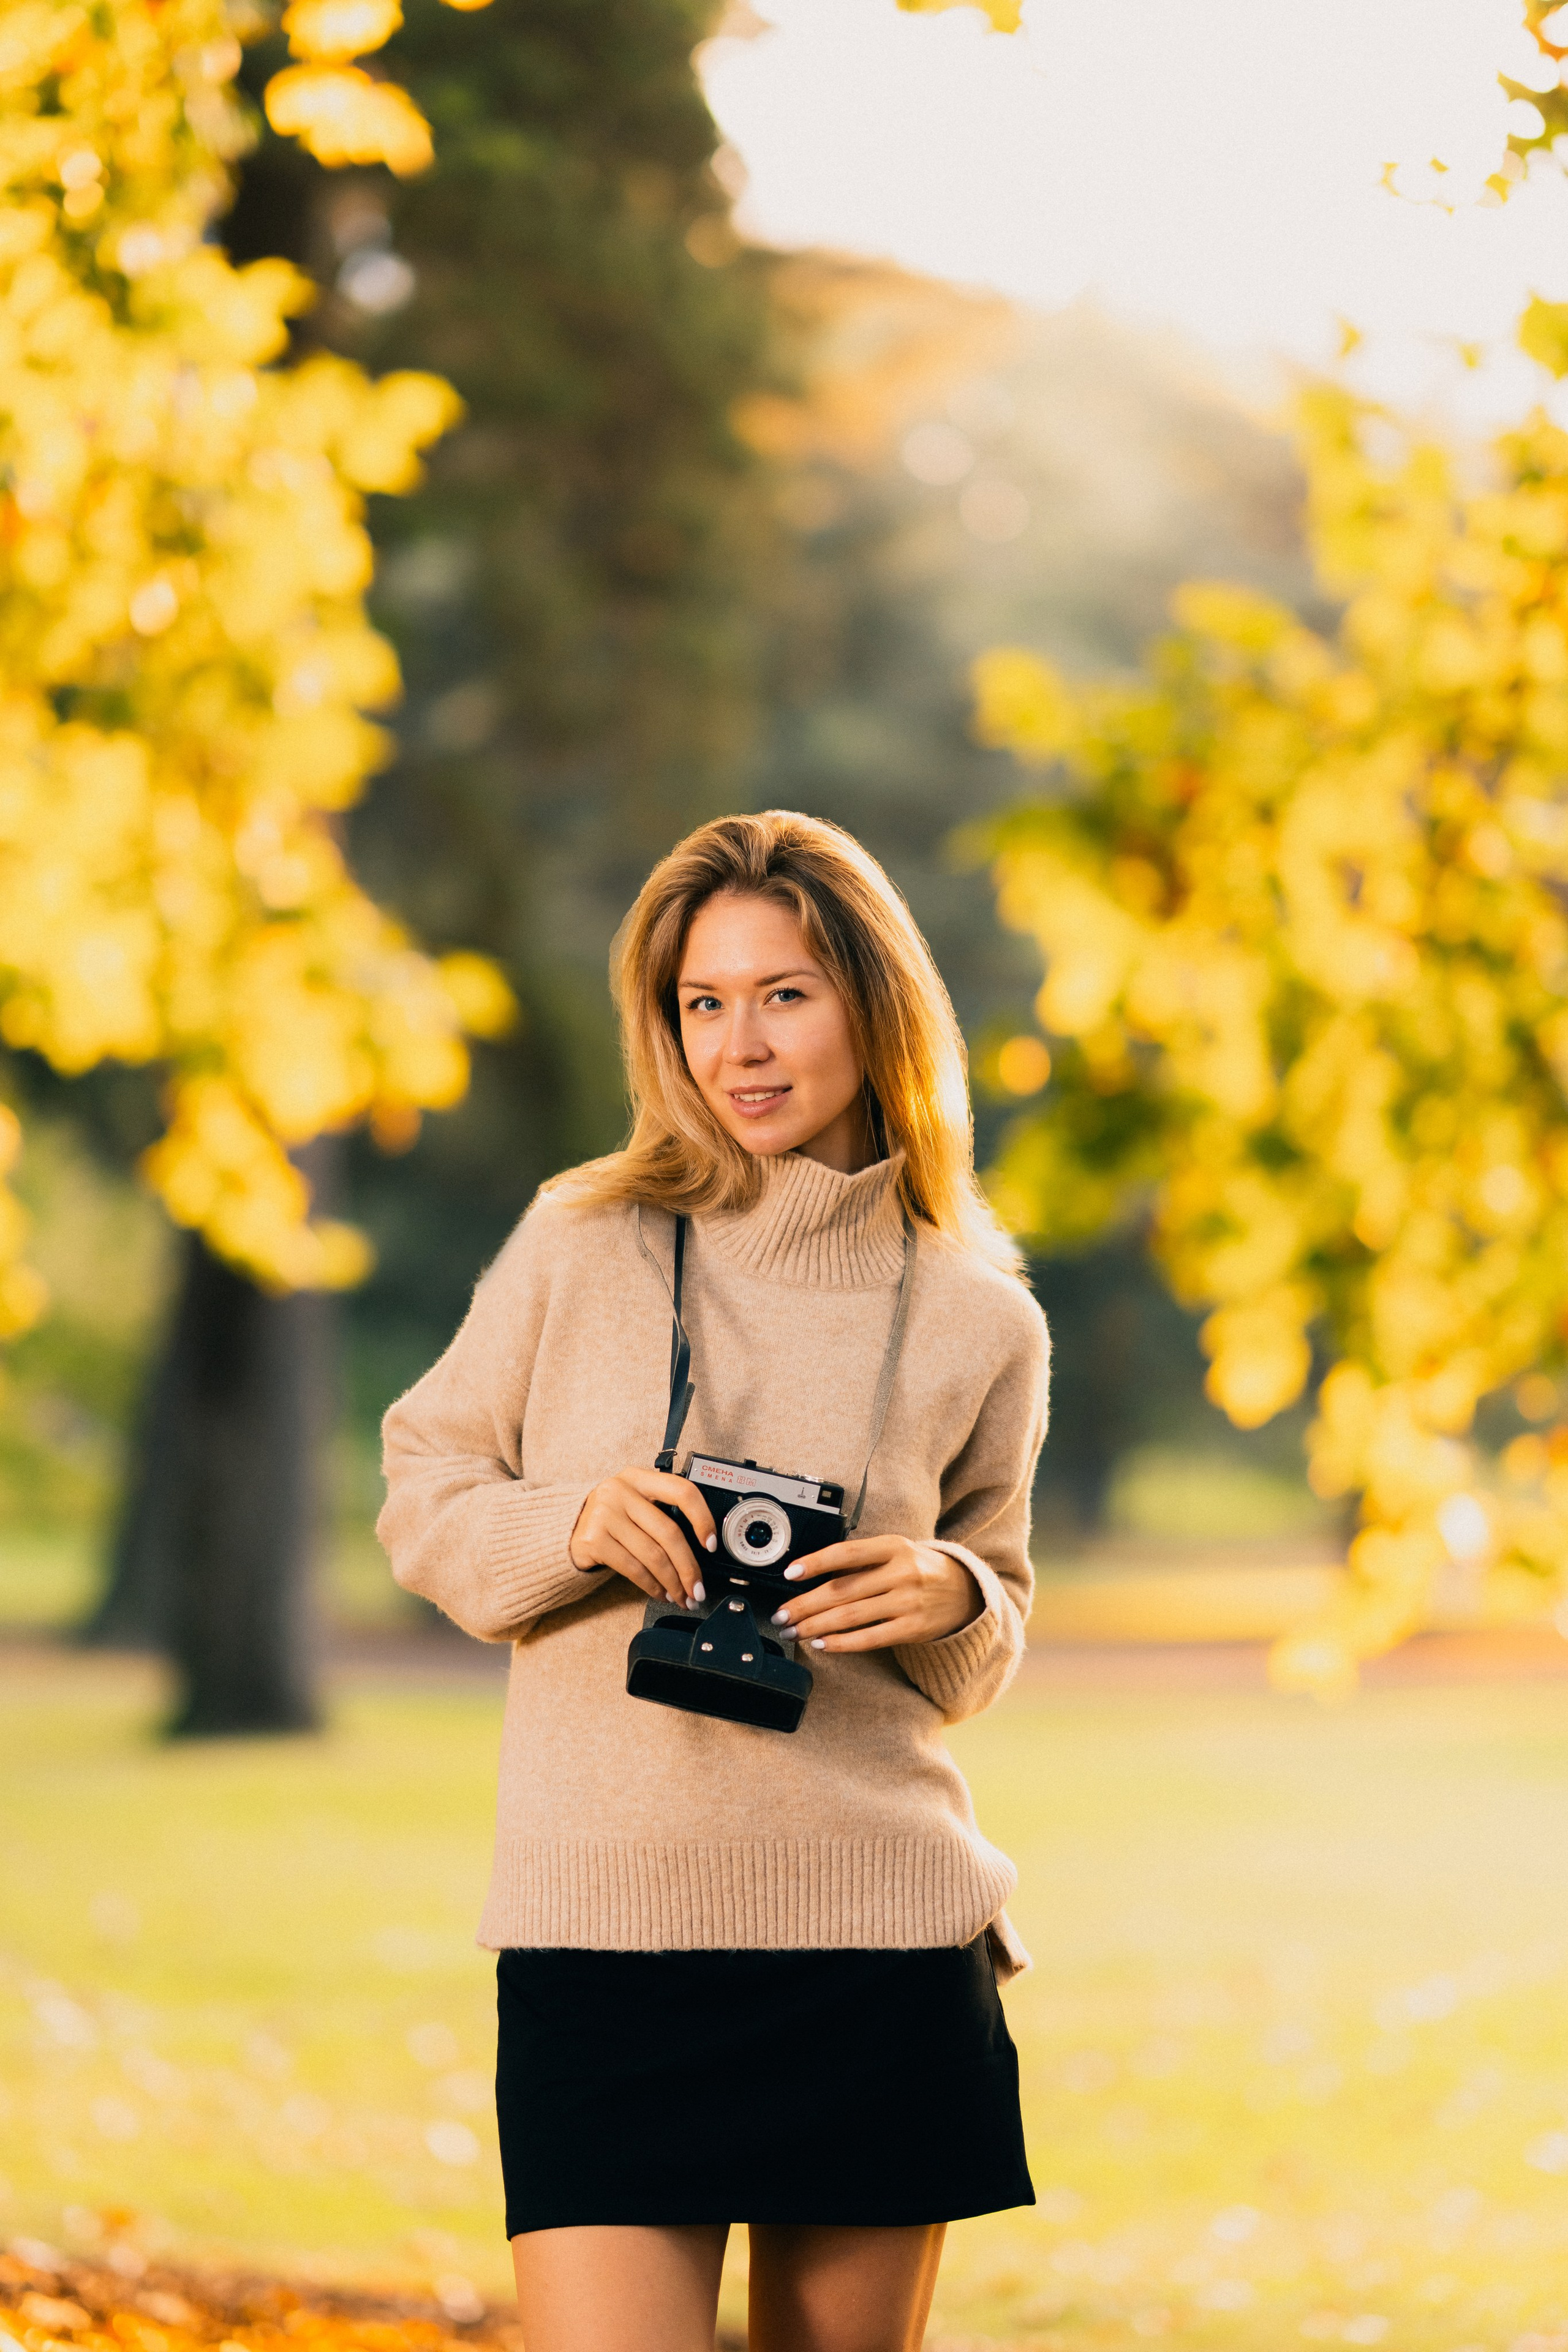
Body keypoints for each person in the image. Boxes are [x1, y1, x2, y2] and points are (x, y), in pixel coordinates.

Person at [377, 811, 1050, 2352]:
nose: (738, 1047)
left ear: (874, 1008)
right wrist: (569, 1528)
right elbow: (422, 1489)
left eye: (784, 995)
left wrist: (950, 1593)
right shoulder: (584, 1238)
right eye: (703, 1002)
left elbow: (989, 1623)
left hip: (878, 1953)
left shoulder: (976, 1317)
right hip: (602, 1946)